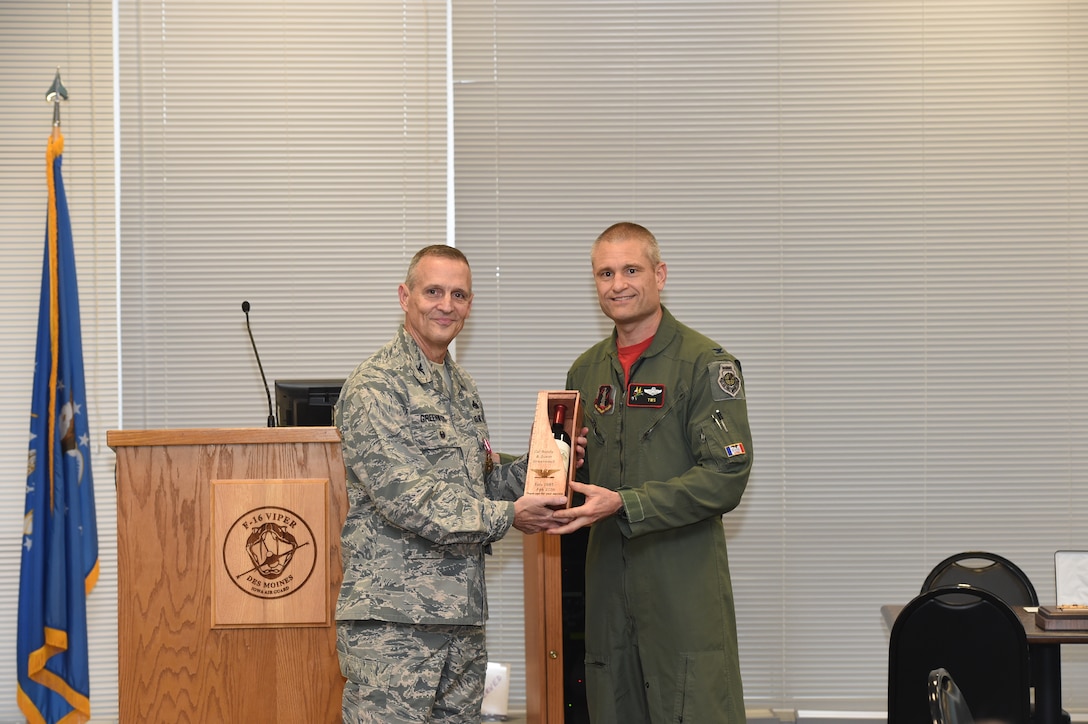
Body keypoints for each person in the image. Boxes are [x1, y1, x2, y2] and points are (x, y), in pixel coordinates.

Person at [335, 244, 568, 723]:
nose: (446, 304)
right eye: (433, 291)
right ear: (405, 296)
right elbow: (407, 498)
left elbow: (477, 485)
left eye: (458, 294)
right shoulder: (375, 385)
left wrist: (546, 462)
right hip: (394, 626)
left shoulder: (462, 387)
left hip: (461, 620)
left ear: (469, 304)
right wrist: (509, 516)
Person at [551, 222, 754, 723]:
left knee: (693, 705)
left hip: (681, 584)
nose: (617, 283)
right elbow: (573, 470)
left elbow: (727, 474)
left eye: (631, 269)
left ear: (659, 275)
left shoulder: (704, 364)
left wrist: (628, 504)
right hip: (606, 585)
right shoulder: (585, 372)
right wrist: (555, 465)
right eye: (605, 272)